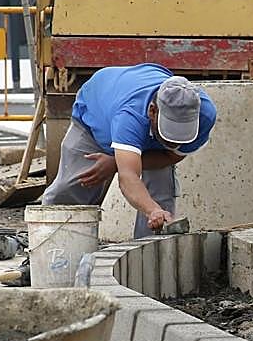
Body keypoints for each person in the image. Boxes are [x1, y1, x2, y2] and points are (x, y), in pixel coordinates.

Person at [40, 64, 217, 239]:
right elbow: (128, 178)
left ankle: (150, 258)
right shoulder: (131, 115)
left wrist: (156, 211)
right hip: (97, 114)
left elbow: (170, 156)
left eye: (181, 133)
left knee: (161, 194)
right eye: (170, 130)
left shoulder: (204, 115)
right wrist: (151, 209)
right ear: (152, 111)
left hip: (137, 108)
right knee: (71, 190)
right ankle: (51, 247)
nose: (173, 140)